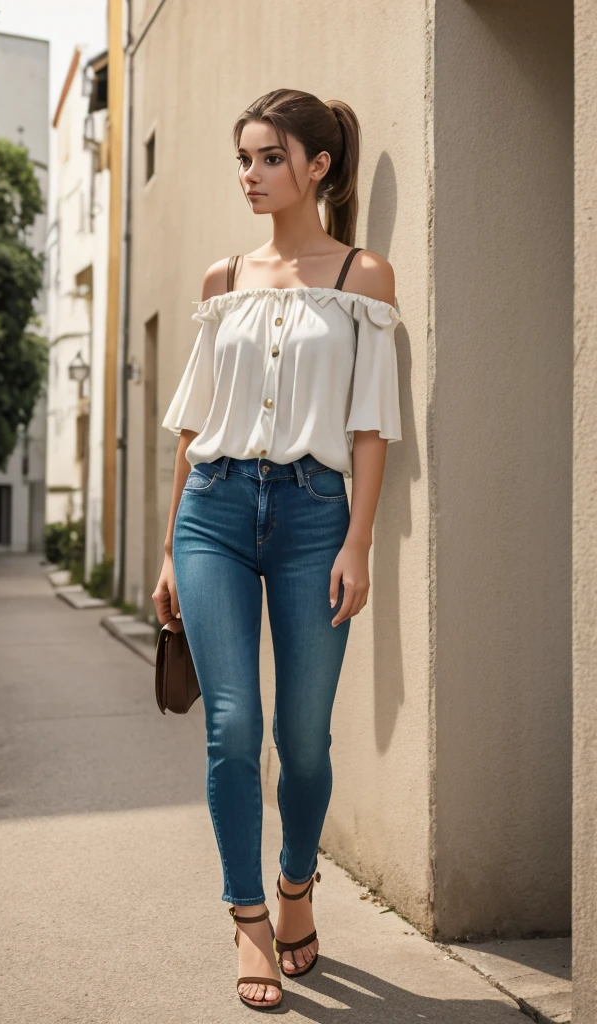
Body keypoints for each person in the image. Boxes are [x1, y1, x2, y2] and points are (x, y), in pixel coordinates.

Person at [152, 87, 402, 1012]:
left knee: (303, 737)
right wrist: (172, 552)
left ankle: (297, 885)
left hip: (312, 519)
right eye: (244, 160)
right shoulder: (224, 281)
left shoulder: (361, 278)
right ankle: (249, 917)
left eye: (268, 158)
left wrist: (359, 542)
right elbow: (191, 431)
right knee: (231, 729)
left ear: (318, 165)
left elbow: (372, 428)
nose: (252, 177)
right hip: (213, 512)